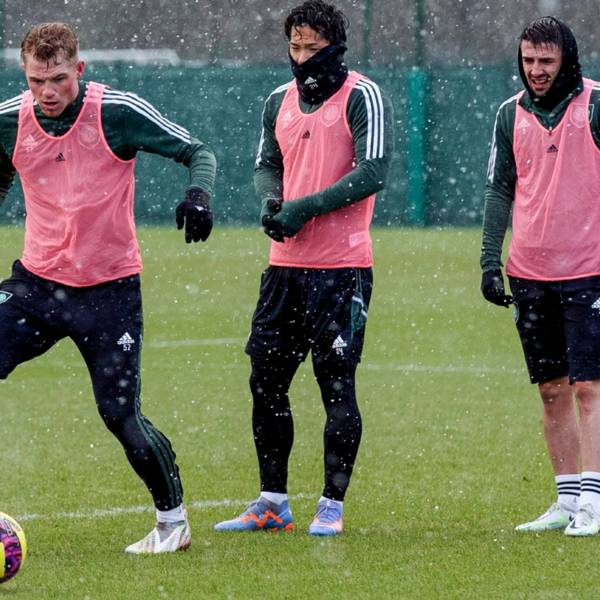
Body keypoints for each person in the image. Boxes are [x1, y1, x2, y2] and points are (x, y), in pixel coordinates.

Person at [0, 23, 216, 553]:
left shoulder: (116, 111)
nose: (47, 92)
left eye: (57, 79)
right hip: (35, 286)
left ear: (80, 69)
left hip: (108, 294)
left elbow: (199, 151)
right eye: (35, 81)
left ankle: (173, 523)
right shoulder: (9, 122)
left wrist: (199, 195)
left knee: (120, 415)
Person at [214, 0, 393, 536]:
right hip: (284, 271)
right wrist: (271, 204)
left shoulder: (363, 95)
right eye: (294, 47)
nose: (302, 58)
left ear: (335, 48)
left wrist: (304, 206)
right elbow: (267, 165)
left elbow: (374, 172)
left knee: (336, 385)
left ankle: (331, 506)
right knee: (265, 382)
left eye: (313, 49)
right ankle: (272, 502)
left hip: (342, 271)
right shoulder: (277, 100)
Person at [481, 16, 600, 536]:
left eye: (546, 61)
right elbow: (498, 190)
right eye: (529, 60)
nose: (536, 71)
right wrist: (490, 258)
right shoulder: (510, 114)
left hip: (590, 270)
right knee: (551, 389)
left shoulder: (595, 104)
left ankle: (594, 500)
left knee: (590, 388)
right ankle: (567, 501)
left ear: (566, 59)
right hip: (530, 273)